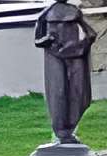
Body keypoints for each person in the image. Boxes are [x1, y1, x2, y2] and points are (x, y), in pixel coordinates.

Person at [36, 0, 96, 144]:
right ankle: (61, 132)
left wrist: (79, 47)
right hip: (54, 55)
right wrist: (46, 40)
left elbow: (91, 34)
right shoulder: (46, 14)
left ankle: (70, 128)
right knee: (58, 91)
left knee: (78, 92)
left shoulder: (74, 11)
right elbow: (38, 40)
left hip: (75, 55)